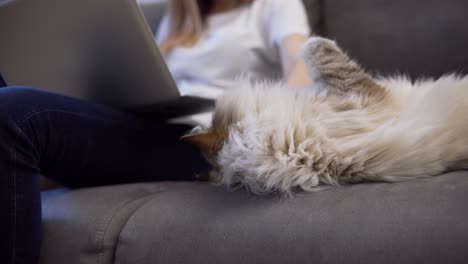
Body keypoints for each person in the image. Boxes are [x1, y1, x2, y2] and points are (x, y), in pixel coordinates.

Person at [0, 0, 311, 263]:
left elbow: (301, 66)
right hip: (155, 124)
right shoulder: (181, 19)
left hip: (209, 141)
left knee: (15, 111)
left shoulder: (274, 5)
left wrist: (274, 123)